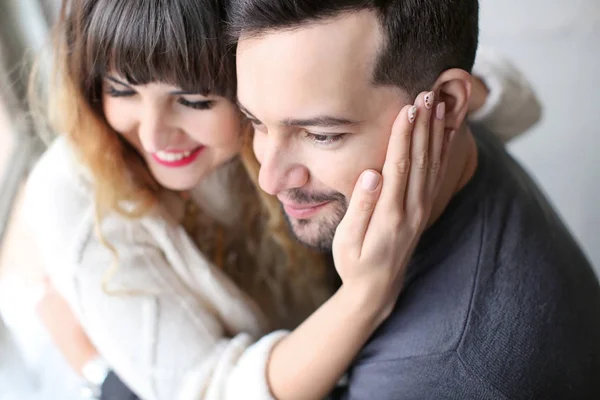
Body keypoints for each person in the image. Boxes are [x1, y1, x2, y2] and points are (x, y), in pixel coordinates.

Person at [27, 2, 542, 400]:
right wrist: (366, 294)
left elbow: (516, 103)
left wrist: (429, 107)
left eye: (195, 101)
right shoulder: (75, 199)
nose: (155, 133)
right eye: (120, 91)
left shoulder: (273, 125)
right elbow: (203, 390)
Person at [230, 0, 600, 399]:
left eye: (322, 135)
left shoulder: (435, 374)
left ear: (447, 105)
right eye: (255, 122)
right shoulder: (454, 148)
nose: (269, 178)